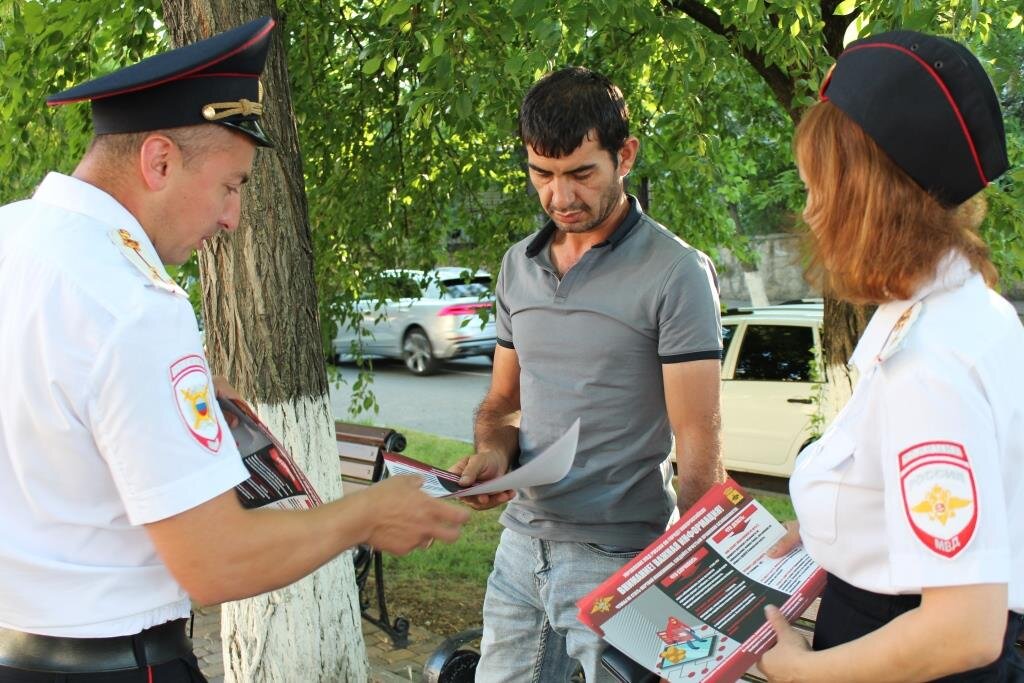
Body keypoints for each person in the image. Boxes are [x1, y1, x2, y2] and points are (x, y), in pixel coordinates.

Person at [0, 16, 468, 682]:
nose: (232, 219)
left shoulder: (13, 238)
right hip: (116, 662)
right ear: (159, 161)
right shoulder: (137, 304)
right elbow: (215, 560)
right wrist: (365, 512)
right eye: (230, 185)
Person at [758, 31, 1024, 682]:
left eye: (820, 187)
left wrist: (798, 673)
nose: (812, 211)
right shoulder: (973, 311)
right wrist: (836, 528)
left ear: (872, 198)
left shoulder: (928, 363)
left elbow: (964, 629)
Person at [452, 66, 725, 682]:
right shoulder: (516, 267)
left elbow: (699, 442)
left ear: (624, 155)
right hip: (519, 547)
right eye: (541, 175)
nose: (560, 197)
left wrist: (693, 573)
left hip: (620, 555)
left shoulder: (676, 271)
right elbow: (502, 403)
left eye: (580, 173)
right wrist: (493, 454)